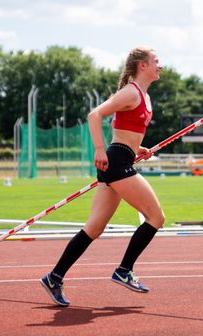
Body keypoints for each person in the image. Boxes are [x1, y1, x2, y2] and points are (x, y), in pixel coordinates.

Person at [40, 47, 164, 307]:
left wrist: (136, 149)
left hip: (121, 158)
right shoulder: (131, 91)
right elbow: (95, 115)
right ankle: (124, 270)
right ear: (142, 65)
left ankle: (54, 277)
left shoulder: (142, 95)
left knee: (94, 228)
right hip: (116, 162)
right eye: (156, 61)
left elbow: (120, 127)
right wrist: (99, 149)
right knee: (156, 217)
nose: (160, 66)